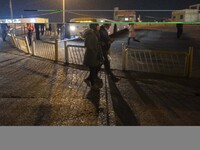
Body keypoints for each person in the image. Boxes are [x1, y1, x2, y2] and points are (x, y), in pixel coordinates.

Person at [83, 23, 103, 89]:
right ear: (95, 27)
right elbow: (88, 45)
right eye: (98, 25)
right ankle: (93, 85)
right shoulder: (91, 34)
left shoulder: (95, 33)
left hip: (95, 54)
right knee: (93, 69)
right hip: (91, 55)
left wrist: (99, 44)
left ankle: (88, 79)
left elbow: (95, 42)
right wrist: (95, 49)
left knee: (95, 68)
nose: (99, 26)